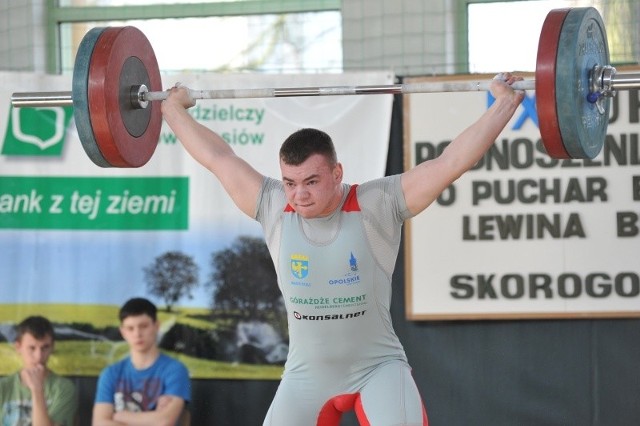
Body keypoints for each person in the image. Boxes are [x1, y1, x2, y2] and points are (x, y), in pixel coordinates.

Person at [161, 73, 525, 426]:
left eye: (311, 181)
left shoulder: (377, 203)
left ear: (337, 173)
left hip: (378, 370)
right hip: (306, 377)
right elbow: (218, 158)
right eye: (290, 182)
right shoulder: (272, 205)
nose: (298, 194)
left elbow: (450, 164)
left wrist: (503, 106)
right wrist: (174, 111)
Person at [92, 297, 191, 426]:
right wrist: (152, 418)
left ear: (156, 326)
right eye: (130, 328)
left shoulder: (176, 370)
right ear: (123, 332)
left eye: (143, 326)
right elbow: (99, 423)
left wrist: (120, 416)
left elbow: (164, 421)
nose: (137, 334)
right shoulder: (110, 373)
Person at [0, 315, 78, 426]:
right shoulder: (3, 387)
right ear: (18, 347)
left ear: (52, 347)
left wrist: (37, 390)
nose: (38, 356)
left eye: (45, 347)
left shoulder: (64, 388)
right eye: (32, 348)